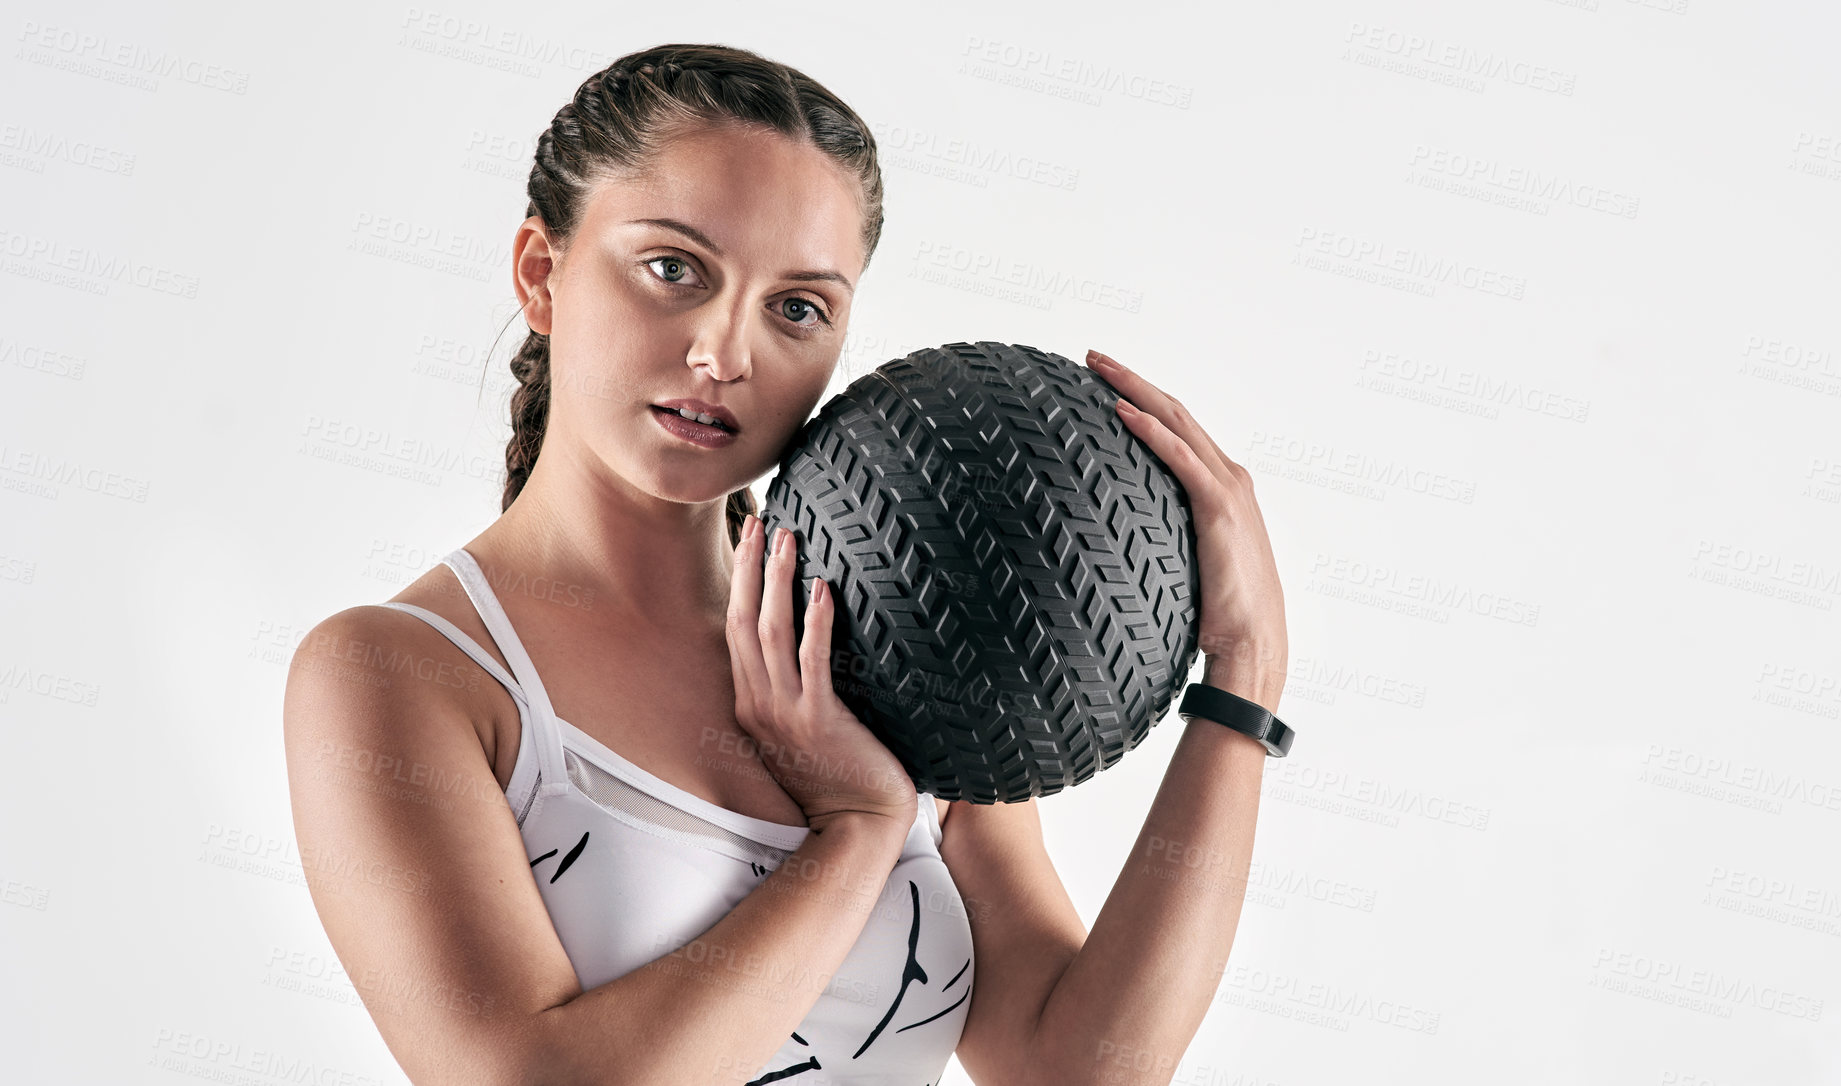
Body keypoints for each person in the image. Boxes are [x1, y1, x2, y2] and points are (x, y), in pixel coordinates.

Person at [282, 42, 1288, 1086]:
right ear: (544, 272)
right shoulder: (399, 675)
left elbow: (1077, 1072)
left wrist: (1242, 685)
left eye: (796, 307)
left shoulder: (893, 639)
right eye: (673, 269)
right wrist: (854, 831)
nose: (724, 353)